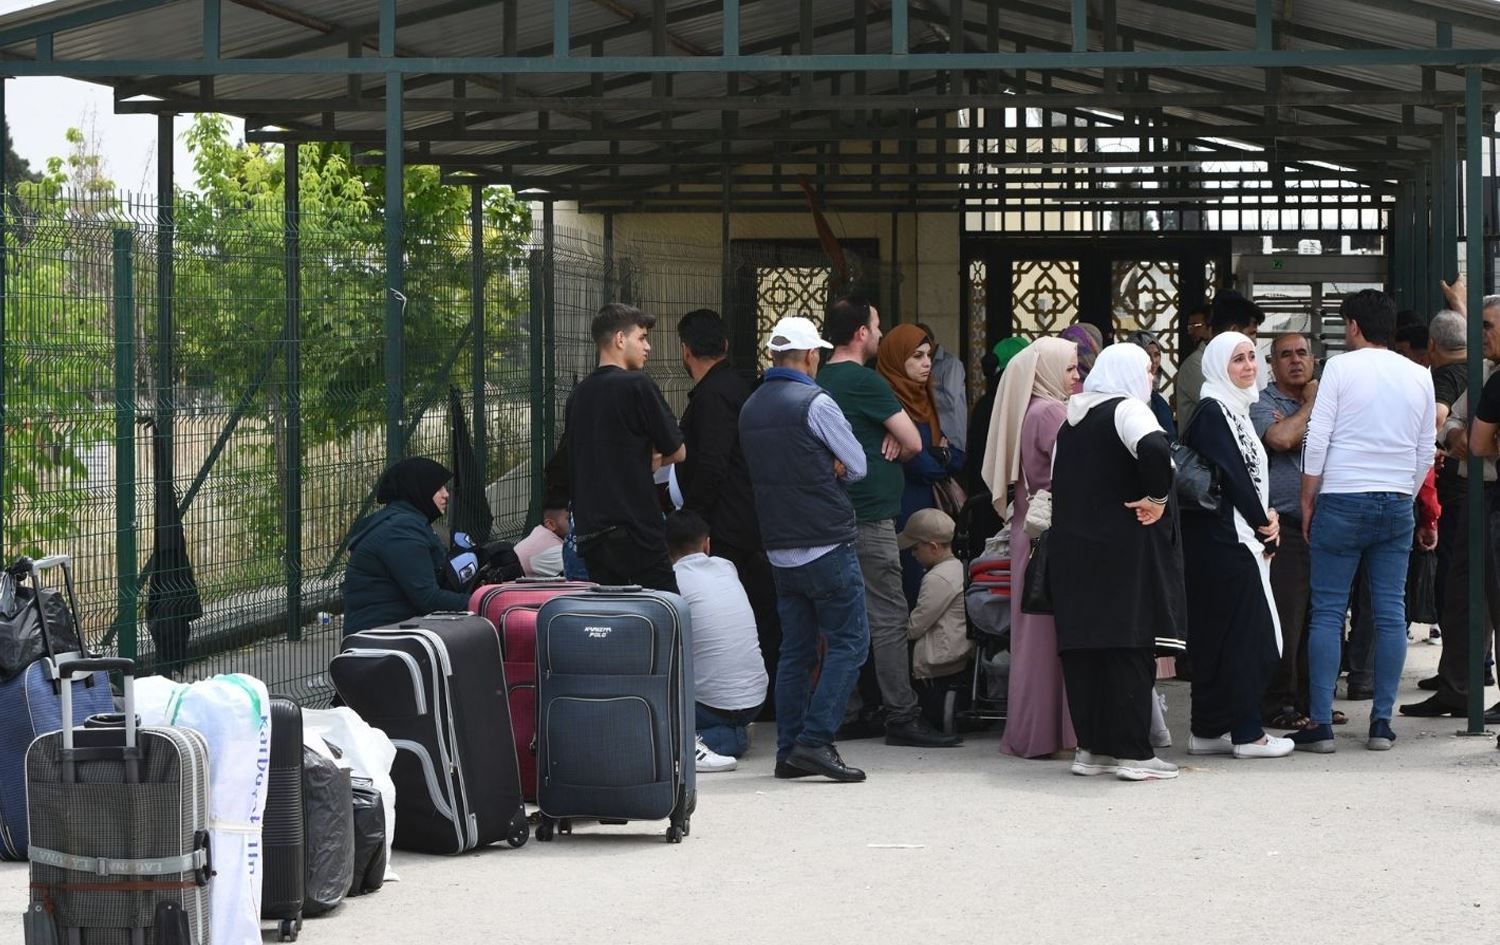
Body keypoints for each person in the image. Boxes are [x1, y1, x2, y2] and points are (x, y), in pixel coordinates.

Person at [1295, 290, 1436, 753]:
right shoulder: (1419, 374)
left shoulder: (1340, 368)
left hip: (1341, 496)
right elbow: (1425, 449)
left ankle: (1321, 724)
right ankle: (1381, 723)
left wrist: (1308, 498)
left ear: (1353, 326)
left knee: (1328, 611)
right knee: (1391, 613)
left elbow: (1318, 437)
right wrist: (1405, 495)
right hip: (1395, 500)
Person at [819, 296, 961, 749]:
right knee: (888, 615)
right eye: (876, 326)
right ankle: (901, 713)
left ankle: (850, 711)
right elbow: (913, 443)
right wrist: (898, 439)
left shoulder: (820, 378)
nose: (880, 334)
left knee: (842, 616)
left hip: (832, 515)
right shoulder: (865, 381)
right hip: (871, 515)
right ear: (861, 332)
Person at [739, 316, 872, 781]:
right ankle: (815, 742)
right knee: (850, 642)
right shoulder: (816, 403)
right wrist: (831, 463)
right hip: (826, 541)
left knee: (795, 651)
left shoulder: (751, 407)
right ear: (812, 356)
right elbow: (858, 466)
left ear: (775, 356)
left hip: (779, 547)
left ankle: (788, 751)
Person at [1050, 344, 1185, 781]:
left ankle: (1092, 750)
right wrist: (1157, 498)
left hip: (1073, 552)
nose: (1151, 379)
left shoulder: (1070, 423)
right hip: (1123, 550)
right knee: (1128, 645)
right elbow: (1155, 448)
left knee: (1085, 649)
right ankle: (1133, 754)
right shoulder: (1128, 410)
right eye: (1147, 371)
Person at [1180, 332, 1294, 760]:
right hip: (1225, 541)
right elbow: (1233, 476)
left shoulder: (1236, 408)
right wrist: (1264, 524)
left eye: (1251, 357)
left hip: (1234, 537)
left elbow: (1250, 478)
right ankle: (1248, 733)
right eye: (1237, 360)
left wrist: (1267, 516)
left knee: (1221, 636)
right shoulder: (1214, 410)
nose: (1248, 366)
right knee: (1253, 637)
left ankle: (1208, 730)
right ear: (1217, 367)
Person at [675, 308, 781, 718]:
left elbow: (712, 465)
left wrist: (694, 518)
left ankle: (754, 701)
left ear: (685, 350)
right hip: (751, 515)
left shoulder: (712, 396)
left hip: (727, 523)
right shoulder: (738, 387)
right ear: (724, 344)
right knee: (760, 609)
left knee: (747, 609)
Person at [980, 335, 1080, 759]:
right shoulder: (1051, 412)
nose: (1077, 375)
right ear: (1047, 372)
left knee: (1035, 641)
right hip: (1051, 536)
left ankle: (1035, 734)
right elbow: (1075, 471)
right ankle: (1052, 736)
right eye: (1070, 368)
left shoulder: (1033, 409)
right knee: (1048, 642)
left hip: (1031, 532)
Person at [1403, 296, 1500, 721]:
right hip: (1478, 496)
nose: (1480, 335)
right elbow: (1451, 423)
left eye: (1488, 326)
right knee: (1461, 596)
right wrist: (1459, 437)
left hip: (1489, 493)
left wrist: (1476, 442)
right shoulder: (1483, 374)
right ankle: (1457, 689)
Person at [562, 303, 686, 592]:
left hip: (591, 535)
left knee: (613, 614)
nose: (648, 347)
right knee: (664, 610)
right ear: (620, 339)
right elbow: (679, 451)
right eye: (642, 338)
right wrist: (653, 459)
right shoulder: (637, 385)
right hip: (637, 529)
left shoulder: (577, 396)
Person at [1249, 333, 1325, 730]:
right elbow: (1280, 439)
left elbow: (1330, 442)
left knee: (1322, 619)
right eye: (1285, 355)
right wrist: (1310, 408)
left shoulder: (1332, 400)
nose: (1295, 361)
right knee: (1288, 619)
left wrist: (1299, 426)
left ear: (1313, 359)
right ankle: (1279, 704)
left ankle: (1314, 703)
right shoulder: (1262, 403)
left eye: (1302, 353)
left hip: (1327, 526)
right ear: (1272, 364)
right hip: (1287, 527)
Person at [666, 511, 768, 773]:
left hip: (711, 707)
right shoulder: (726, 567)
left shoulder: (671, 581)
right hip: (756, 700)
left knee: (654, 728)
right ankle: (731, 733)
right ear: (707, 544)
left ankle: (728, 738)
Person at [876, 324, 966, 606]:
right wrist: (941, 457)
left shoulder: (924, 398)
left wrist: (941, 456)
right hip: (903, 506)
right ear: (897, 358)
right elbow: (923, 466)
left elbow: (956, 458)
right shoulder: (887, 402)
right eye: (917, 356)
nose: (927, 363)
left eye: (928, 355)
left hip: (929, 505)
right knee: (909, 587)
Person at [343, 457, 471, 635]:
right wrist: (482, 602)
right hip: (380, 636)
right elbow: (429, 598)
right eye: (438, 488)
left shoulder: (410, 522)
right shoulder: (399, 531)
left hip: (398, 629)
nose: (446, 494)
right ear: (419, 489)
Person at [898, 508, 975, 728]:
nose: (912, 554)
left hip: (939, 663)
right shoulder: (958, 568)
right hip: (957, 656)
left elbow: (915, 626)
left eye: (915, 548)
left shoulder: (938, 578)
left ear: (933, 547)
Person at [1177, 291, 1265, 431]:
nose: (1254, 342)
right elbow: (1227, 409)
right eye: (1251, 333)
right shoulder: (1198, 364)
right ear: (1233, 331)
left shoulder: (1251, 358)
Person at [916, 322, 969, 453]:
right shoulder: (920, 365)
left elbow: (950, 401)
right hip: (931, 436)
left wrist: (924, 388)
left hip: (951, 438)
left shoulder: (951, 364)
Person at [1125, 329, 1178, 439]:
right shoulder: (1128, 398)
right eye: (1147, 355)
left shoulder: (1154, 397)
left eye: (1156, 354)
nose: (1153, 360)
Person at [513, 498, 569, 578]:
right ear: (550, 524)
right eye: (569, 518)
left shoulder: (541, 534)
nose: (575, 521)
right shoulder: (551, 550)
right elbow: (581, 568)